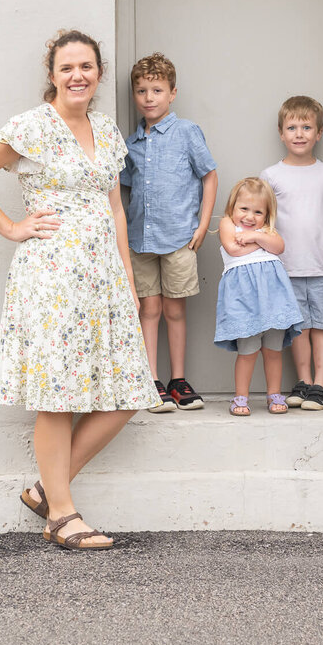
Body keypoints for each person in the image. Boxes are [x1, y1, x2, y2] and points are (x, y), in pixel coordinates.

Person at [0, 29, 157, 551]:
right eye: (67, 67)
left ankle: (47, 489)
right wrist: (10, 227)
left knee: (128, 390)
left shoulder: (107, 131)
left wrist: (128, 280)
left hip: (103, 277)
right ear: (52, 74)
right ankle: (62, 516)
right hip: (52, 276)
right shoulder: (32, 127)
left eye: (86, 66)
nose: (77, 75)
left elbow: (114, 209)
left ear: (98, 72)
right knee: (58, 394)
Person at [120, 53, 218, 413]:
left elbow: (209, 175)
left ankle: (179, 379)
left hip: (179, 238)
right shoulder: (131, 145)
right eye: (142, 91)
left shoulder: (187, 132)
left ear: (172, 93)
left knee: (176, 311)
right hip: (141, 240)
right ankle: (151, 380)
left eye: (157, 90)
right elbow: (123, 190)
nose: (149, 98)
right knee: (150, 309)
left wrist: (203, 224)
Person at [260, 96, 323, 411]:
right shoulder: (271, 175)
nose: (299, 133)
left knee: (322, 326)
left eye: (306, 127)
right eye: (292, 127)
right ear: (281, 133)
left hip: (321, 267)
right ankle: (304, 381)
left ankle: (321, 385)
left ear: (319, 133)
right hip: (286, 269)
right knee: (298, 329)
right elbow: (263, 218)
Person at [213, 178, 303, 417]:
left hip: (273, 302)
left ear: (267, 214)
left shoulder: (265, 232)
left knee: (273, 351)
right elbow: (233, 249)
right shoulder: (226, 224)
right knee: (248, 351)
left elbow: (280, 246)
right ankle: (240, 397)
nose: (250, 217)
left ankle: (274, 394)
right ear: (232, 207)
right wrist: (263, 243)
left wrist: (256, 238)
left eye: (258, 212)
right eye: (244, 209)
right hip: (245, 303)